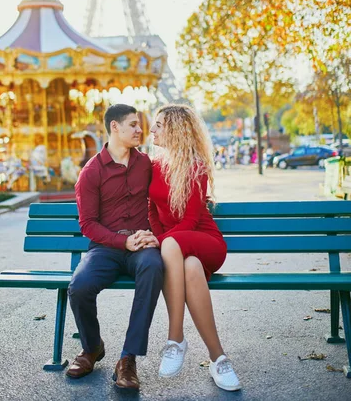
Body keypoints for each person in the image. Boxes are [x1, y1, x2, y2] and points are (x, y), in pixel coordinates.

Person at [135, 104, 241, 392]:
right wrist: (161, 237)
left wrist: (164, 240)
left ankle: (175, 338)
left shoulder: (196, 165)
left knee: (175, 246)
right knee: (190, 268)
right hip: (182, 252)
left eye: (158, 124)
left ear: (176, 129)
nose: (152, 130)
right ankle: (219, 359)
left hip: (205, 241)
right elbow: (151, 210)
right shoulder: (153, 165)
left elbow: (193, 218)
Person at [67, 104, 164, 390]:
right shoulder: (91, 172)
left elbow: (167, 192)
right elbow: (88, 224)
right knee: (80, 286)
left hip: (142, 245)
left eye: (139, 124)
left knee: (154, 266)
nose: (139, 130)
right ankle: (92, 347)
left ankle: (128, 359)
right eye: (133, 124)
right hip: (105, 248)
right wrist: (122, 241)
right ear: (114, 128)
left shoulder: (146, 164)